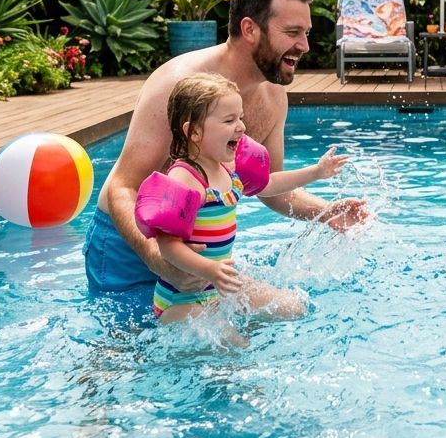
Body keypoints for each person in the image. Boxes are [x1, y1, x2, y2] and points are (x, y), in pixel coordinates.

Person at [85, 0, 370, 296]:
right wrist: (158, 259)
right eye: (292, 32)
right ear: (249, 29)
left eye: (305, 33)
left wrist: (326, 212)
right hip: (131, 246)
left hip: (201, 251)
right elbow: (124, 186)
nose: (304, 46)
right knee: (130, 345)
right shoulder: (178, 86)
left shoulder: (273, 97)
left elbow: (268, 186)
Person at [136, 73, 348, 322]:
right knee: (235, 348)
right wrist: (210, 269)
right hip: (181, 299)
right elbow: (167, 246)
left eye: (240, 117)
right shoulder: (185, 178)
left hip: (218, 284)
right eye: (229, 120)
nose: (242, 127)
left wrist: (315, 172)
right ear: (194, 131)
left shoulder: (228, 166)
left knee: (293, 307)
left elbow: (268, 184)